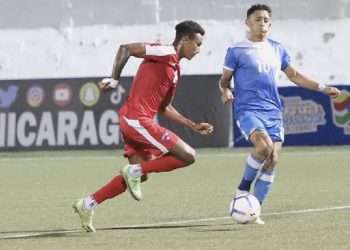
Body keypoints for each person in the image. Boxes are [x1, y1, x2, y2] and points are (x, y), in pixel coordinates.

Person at [73, 20, 214, 232]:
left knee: (141, 174)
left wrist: (191, 125)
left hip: (138, 120)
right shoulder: (164, 51)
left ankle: (87, 204)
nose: (199, 50)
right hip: (136, 120)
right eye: (197, 44)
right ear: (184, 40)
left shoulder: (175, 70)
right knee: (188, 156)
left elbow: (164, 107)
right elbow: (126, 49)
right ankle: (134, 170)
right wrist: (114, 78)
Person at [219, 4, 341, 224]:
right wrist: (225, 90)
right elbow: (224, 80)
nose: (262, 24)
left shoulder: (277, 48)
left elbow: (294, 75)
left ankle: (254, 209)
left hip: (273, 111)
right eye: (257, 19)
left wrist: (324, 88)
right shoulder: (236, 50)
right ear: (247, 23)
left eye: (266, 20)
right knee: (263, 148)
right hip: (248, 109)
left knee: (273, 158)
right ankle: (242, 190)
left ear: (270, 24)